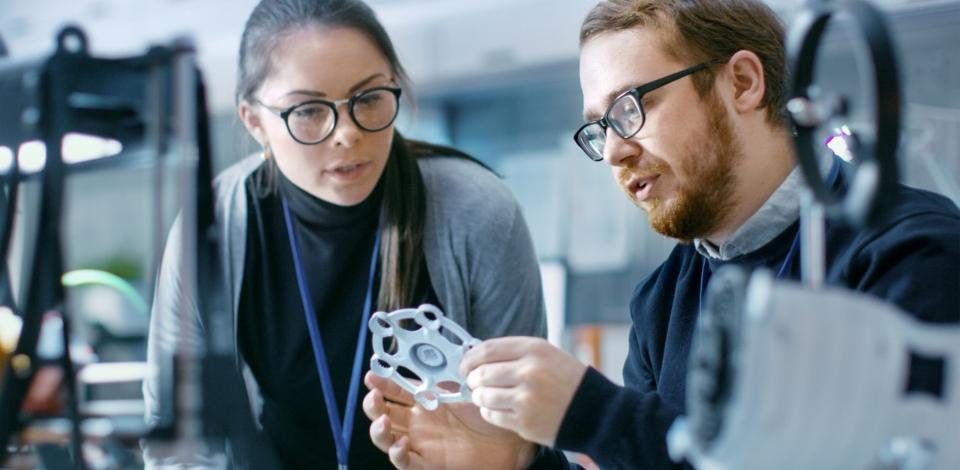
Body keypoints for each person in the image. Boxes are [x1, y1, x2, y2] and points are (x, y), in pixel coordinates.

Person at [363, 0, 960, 468]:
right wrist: (520, 461)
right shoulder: (664, 298)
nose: (615, 151)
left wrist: (595, 415)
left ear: (744, 82)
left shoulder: (911, 255)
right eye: (600, 127)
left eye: (630, 108)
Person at [142, 0, 546, 468]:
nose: (347, 134)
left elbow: (518, 433)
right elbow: (179, 440)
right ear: (256, 123)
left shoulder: (477, 212)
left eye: (369, 98)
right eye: (309, 110)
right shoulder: (212, 227)